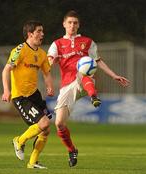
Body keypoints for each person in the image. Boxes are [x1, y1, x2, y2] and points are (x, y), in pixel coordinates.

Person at [47, 10, 130, 167]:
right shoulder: (57, 44)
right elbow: (48, 62)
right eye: (69, 22)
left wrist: (114, 75)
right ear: (64, 24)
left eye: (75, 23)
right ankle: (72, 150)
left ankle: (93, 96)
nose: (72, 25)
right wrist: (53, 61)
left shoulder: (88, 42)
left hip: (84, 80)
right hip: (67, 86)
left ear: (79, 25)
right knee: (59, 124)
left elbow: (97, 61)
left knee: (84, 70)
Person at [2, 20, 54, 169]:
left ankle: (33, 163)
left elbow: (47, 73)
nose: (42, 34)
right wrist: (7, 90)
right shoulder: (19, 50)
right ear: (30, 34)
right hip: (21, 97)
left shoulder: (42, 54)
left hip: (34, 95)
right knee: (44, 123)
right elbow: (6, 70)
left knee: (46, 129)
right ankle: (19, 141)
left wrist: (49, 86)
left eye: (42, 31)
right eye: (39, 31)